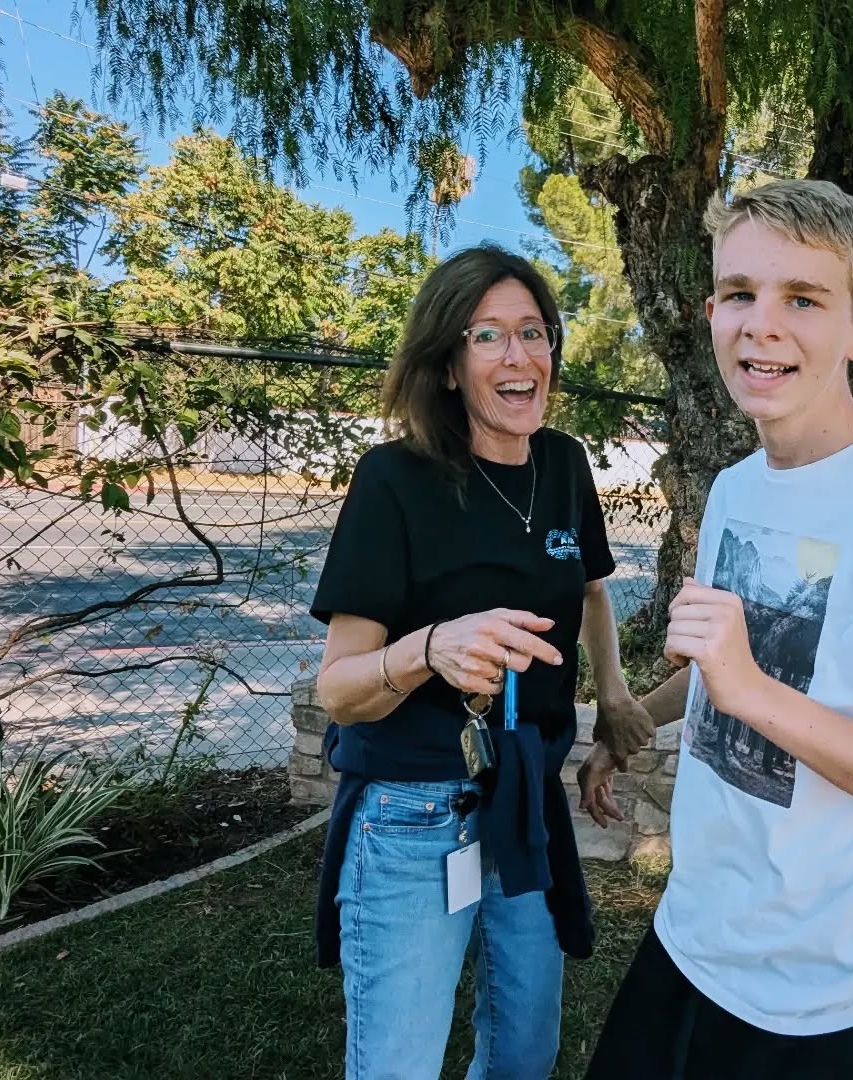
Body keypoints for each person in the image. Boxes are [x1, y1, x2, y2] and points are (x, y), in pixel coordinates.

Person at [577, 179, 853, 1079]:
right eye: (740, 293)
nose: (761, 324)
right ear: (712, 312)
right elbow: (734, 659)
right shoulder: (733, 488)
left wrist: (753, 696)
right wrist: (636, 720)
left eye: (802, 298)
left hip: (825, 998)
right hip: (693, 935)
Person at [309, 245, 653, 1079]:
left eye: (534, 332)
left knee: (525, 1052)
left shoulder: (564, 464)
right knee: (400, 1065)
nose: (518, 356)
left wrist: (611, 696)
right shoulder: (394, 479)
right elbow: (338, 690)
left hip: (525, 796)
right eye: (489, 336)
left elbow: (595, 590)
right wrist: (431, 647)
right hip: (412, 811)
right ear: (450, 364)